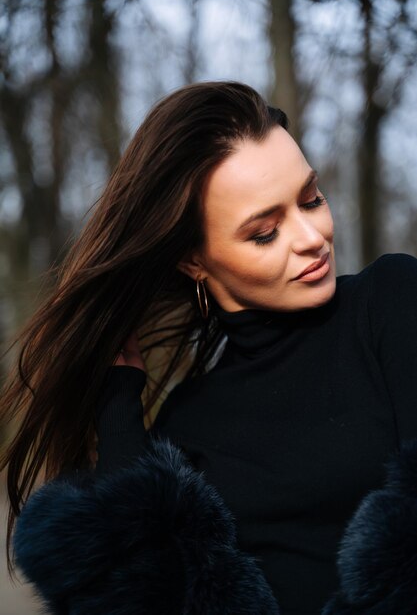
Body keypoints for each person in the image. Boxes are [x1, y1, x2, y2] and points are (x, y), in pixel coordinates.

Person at [1, 81, 417, 615]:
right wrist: (118, 409)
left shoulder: (392, 302)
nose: (312, 236)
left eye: (312, 198)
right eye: (265, 232)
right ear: (193, 261)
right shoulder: (185, 431)